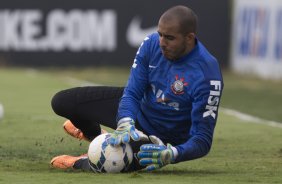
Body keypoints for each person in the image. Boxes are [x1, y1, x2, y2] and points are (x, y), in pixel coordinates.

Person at [50, 5, 224, 172]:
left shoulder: (207, 75)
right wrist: (125, 121)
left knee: (111, 163)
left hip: (160, 139)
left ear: (189, 37)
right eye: (160, 34)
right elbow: (132, 92)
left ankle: (80, 162)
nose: (162, 42)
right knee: (62, 102)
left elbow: (202, 139)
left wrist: (172, 154)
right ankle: (96, 137)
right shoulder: (151, 43)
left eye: (169, 38)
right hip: (139, 111)